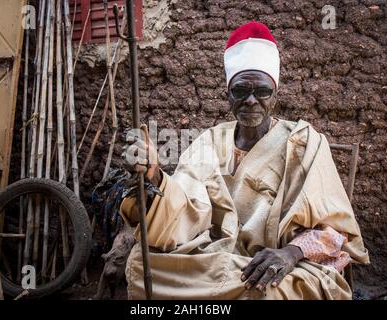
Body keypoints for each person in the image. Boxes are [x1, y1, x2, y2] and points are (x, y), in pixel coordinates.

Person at [120, 21, 369, 300]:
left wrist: (290, 252)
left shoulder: (306, 142)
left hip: (287, 265)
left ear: (275, 96)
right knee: (143, 266)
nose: (251, 100)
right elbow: (185, 206)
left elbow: (336, 231)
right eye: (240, 91)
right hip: (216, 255)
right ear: (228, 95)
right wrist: (154, 177)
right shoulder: (210, 140)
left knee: (267, 292)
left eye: (261, 91)